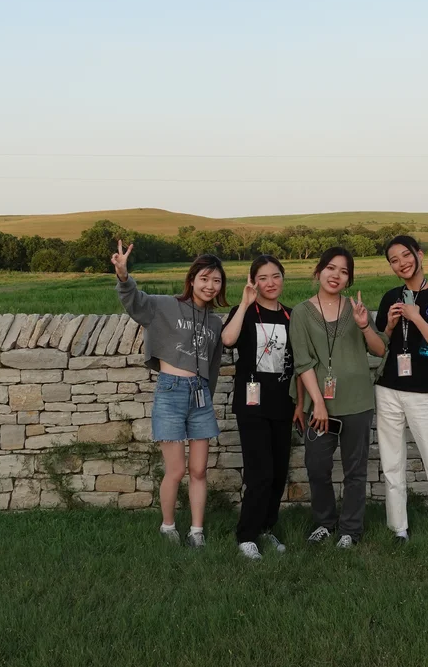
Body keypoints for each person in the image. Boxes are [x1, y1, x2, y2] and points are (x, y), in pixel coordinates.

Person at [113, 240, 227, 548]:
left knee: (199, 469)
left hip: (200, 396)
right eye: (204, 279)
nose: (210, 286)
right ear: (192, 280)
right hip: (171, 392)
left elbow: (212, 367)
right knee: (176, 470)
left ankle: (197, 532)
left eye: (216, 281)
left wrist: (207, 395)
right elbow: (134, 302)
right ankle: (168, 526)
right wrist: (124, 276)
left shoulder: (215, 323)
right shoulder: (165, 306)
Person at [289, 247, 386, 549]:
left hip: (357, 401)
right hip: (320, 406)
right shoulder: (301, 313)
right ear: (318, 271)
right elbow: (303, 362)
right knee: (317, 466)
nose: (336, 276)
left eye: (344, 272)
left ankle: (350, 530)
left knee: (355, 470)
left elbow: (380, 349)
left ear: (349, 279)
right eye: (331, 268)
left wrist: (363, 324)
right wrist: (317, 402)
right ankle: (325, 523)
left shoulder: (355, 308)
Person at [374, 235, 428, 545]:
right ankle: (398, 529)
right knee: (392, 463)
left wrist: (417, 318)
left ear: (419, 254)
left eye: (405, 256)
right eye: (394, 260)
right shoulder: (390, 297)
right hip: (388, 390)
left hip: (425, 393)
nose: (401, 263)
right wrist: (387, 325)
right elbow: (378, 347)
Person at [221, 255, 297, 560]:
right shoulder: (246, 313)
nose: (270, 283)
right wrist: (244, 303)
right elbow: (227, 340)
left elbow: (301, 362)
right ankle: (246, 536)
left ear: (283, 278)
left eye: (276, 276)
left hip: (283, 403)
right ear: (254, 281)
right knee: (260, 472)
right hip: (252, 404)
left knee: (278, 473)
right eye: (263, 277)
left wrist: (300, 403)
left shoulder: (293, 316)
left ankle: (267, 527)